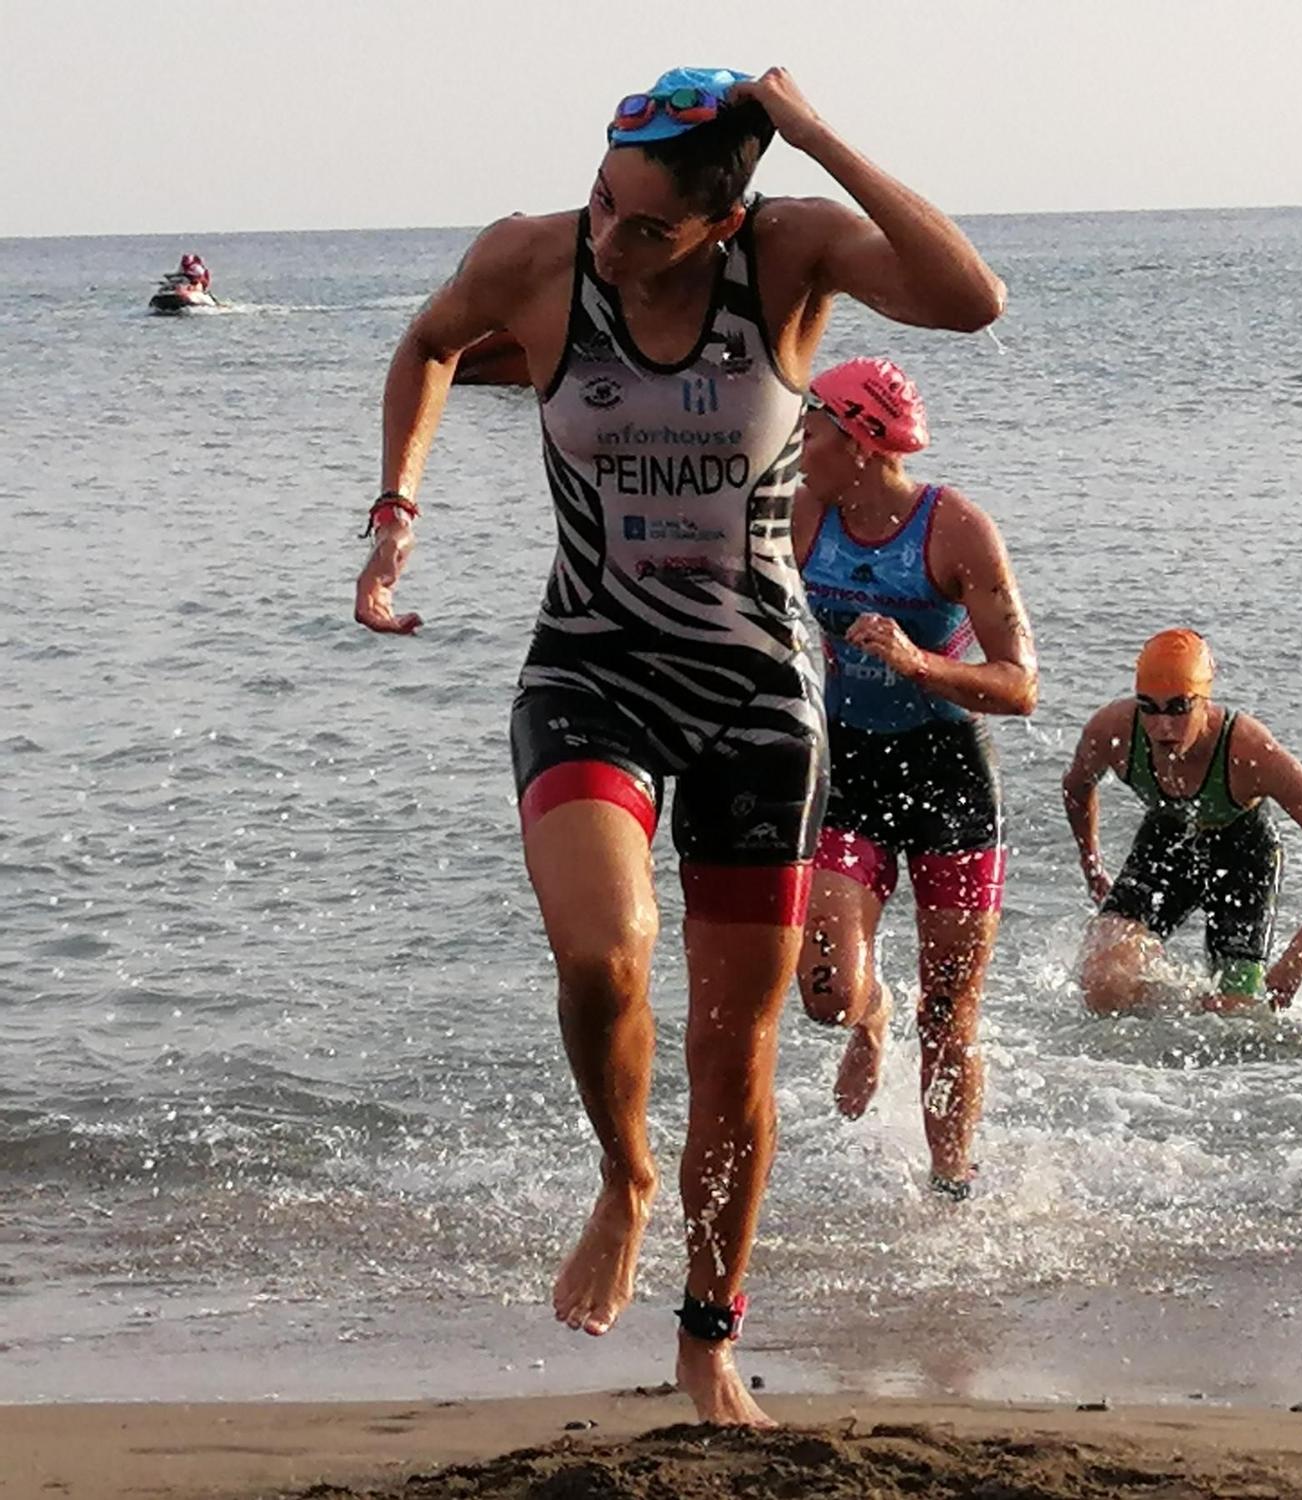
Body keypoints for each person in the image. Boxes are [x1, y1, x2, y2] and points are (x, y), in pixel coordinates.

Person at [350, 64, 1005, 1427]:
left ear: (724, 219)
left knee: (734, 1052)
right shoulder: (532, 259)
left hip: (759, 696)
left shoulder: (790, 259)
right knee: (603, 953)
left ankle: (709, 1334)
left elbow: (969, 297)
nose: (609, 239)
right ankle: (623, 1177)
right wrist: (398, 506)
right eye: (603, 201)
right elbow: (426, 346)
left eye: (645, 227)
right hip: (590, 664)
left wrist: (820, 135)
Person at [791, 356, 1037, 1200]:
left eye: (812, 427)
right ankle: (869, 1016)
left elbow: (1021, 684)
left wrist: (917, 660)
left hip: (949, 777)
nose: (798, 440)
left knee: (950, 1014)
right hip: (847, 767)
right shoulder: (802, 514)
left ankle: (950, 1190)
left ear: (860, 441)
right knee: (825, 993)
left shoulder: (954, 528)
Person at [1062, 630, 1302, 1013]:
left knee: (1236, 1020)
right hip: (1168, 839)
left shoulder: (1249, 752)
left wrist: (1301, 952)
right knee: (1102, 981)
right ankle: (1153, 1047)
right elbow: (1077, 787)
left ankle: (1209, 1014)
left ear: (1204, 701)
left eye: (1179, 707)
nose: (1163, 726)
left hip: (1244, 855)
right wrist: (1092, 865)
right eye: (1150, 706)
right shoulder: (1113, 732)